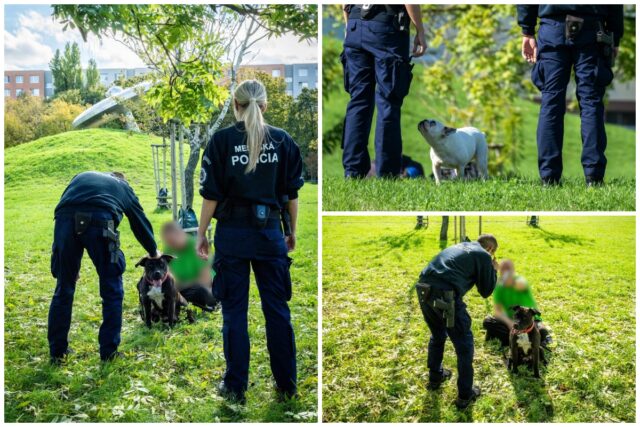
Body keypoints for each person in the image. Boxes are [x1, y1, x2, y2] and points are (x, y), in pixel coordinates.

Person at [197, 79, 304, 404]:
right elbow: (291, 196)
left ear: (236, 105)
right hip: (270, 233)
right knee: (277, 311)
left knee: (234, 313)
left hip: (233, 236)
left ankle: (234, 386)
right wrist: (291, 230)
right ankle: (286, 385)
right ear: (265, 106)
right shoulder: (283, 141)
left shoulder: (221, 141)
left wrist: (201, 234)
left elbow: (211, 197)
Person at [48, 171, 158, 364]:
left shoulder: (80, 176)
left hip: (63, 221)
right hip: (100, 221)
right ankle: (109, 353)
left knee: (64, 287)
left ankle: (57, 352)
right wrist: (153, 251)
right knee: (112, 288)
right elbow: (139, 222)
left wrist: (68, 264)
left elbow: (68, 209)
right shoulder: (124, 188)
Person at [517, 5, 625, 186]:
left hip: (553, 28)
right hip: (592, 29)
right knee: (591, 102)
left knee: (551, 102)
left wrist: (527, 31)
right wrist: (615, 35)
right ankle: (594, 177)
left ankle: (549, 179)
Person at [341, 4, 428, 178]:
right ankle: (387, 173)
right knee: (388, 102)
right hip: (387, 30)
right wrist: (420, 31)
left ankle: (353, 172)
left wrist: (349, 25)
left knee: (358, 102)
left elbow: (344, 4)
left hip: (355, 26)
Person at [416, 235, 498, 409]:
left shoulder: (461, 245)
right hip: (445, 295)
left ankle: (435, 376)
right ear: (490, 249)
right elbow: (486, 291)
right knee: (464, 346)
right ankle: (465, 395)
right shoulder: (484, 255)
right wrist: (494, 269)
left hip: (423, 288)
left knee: (438, 335)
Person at [483, 259, 551, 347]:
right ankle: (516, 338)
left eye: (508, 269)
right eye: (503, 269)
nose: (506, 272)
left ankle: (515, 338)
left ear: (513, 270)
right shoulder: (499, 287)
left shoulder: (520, 281)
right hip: (512, 320)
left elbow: (519, 285)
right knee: (488, 322)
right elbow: (497, 311)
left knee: (541, 331)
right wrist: (509, 323)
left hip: (528, 320)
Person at [161, 222, 219, 311]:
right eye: (168, 243)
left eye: (173, 242)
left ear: (180, 234)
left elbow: (206, 280)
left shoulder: (196, 246)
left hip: (203, 286)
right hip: (182, 288)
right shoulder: (169, 249)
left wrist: (185, 284)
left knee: (203, 292)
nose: (171, 246)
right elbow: (168, 275)